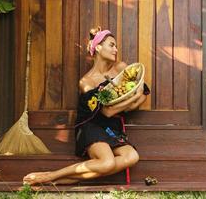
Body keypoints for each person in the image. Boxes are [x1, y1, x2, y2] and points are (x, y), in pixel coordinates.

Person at [23, 27, 150, 185]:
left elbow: (140, 95)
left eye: (116, 46)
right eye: (111, 45)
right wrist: (133, 99)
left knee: (132, 156)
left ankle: (57, 181)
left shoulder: (121, 68)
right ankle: (51, 176)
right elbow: (107, 111)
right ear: (98, 47)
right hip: (91, 125)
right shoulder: (86, 82)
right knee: (107, 162)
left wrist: (136, 97)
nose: (116, 50)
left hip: (111, 127)